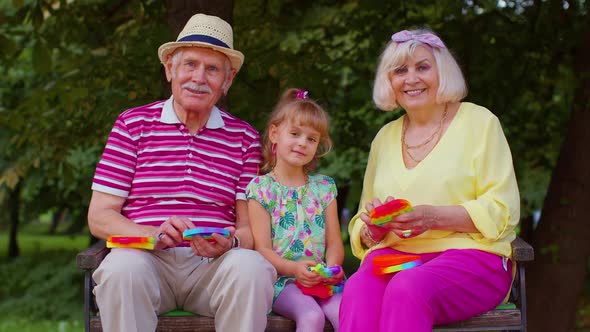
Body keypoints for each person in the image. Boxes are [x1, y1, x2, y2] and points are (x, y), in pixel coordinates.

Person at [87, 13, 276, 332]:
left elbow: (249, 229)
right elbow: (100, 217)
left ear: (227, 82)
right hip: (147, 263)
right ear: (170, 69)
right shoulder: (132, 125)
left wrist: (228, 243)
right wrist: (151, 235)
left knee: (251, 267)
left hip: (213, 269)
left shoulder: (243, 137)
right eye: (190, 64)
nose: (199, 77)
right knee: (121, 267)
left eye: (213, 69)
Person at [339, 29, 520, 331]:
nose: (411, 79)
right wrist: (372, 228)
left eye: (422, 67)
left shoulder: (480, 123)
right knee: (359, 289)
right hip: (400, 258)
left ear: (442, 72)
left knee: (407, 288)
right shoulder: (384, 138)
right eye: (400, 70)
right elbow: (361, 218)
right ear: (390, 81)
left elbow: (502, 210)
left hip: (471, 257)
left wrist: (433, 217)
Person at [246, 88, 345, 332]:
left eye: (311, 139)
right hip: (283, 282)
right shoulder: (261, 189)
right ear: (274, 133)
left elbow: (334, 242)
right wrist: (294, 270)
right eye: (295, 133)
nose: (303, 142)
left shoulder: (324, 188)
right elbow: (262, 250)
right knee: (311, 316)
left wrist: (331, 269)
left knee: (344, 312)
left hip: (322, 279)